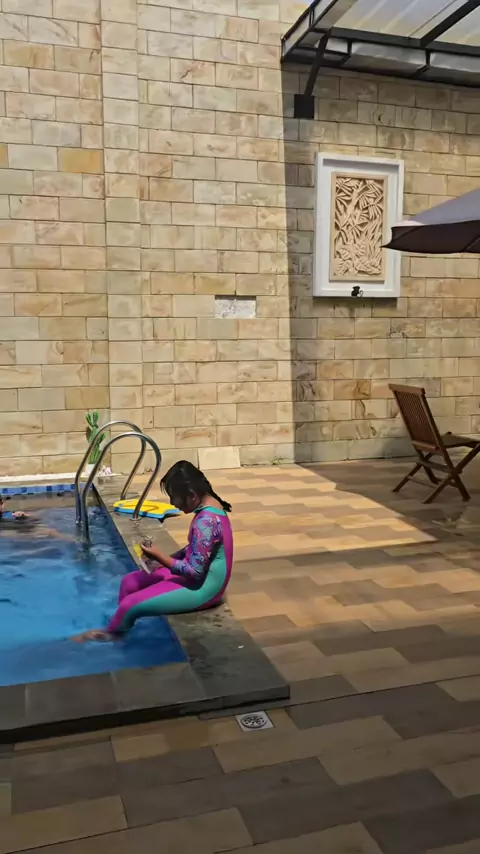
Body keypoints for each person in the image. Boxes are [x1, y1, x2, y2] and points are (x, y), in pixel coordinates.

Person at [74, 461, 233, 642]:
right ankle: (123, 627)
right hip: (197, 579)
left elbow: (194, 572)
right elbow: (197, 549)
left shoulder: (206, 521)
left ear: (191, 495)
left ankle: (112, 636)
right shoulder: (211, 508)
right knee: (129, 582)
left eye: (174, 497)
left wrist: (161, 557)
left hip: (205, 590)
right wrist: (164, 560)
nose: (173, 503)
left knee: (129, 605)